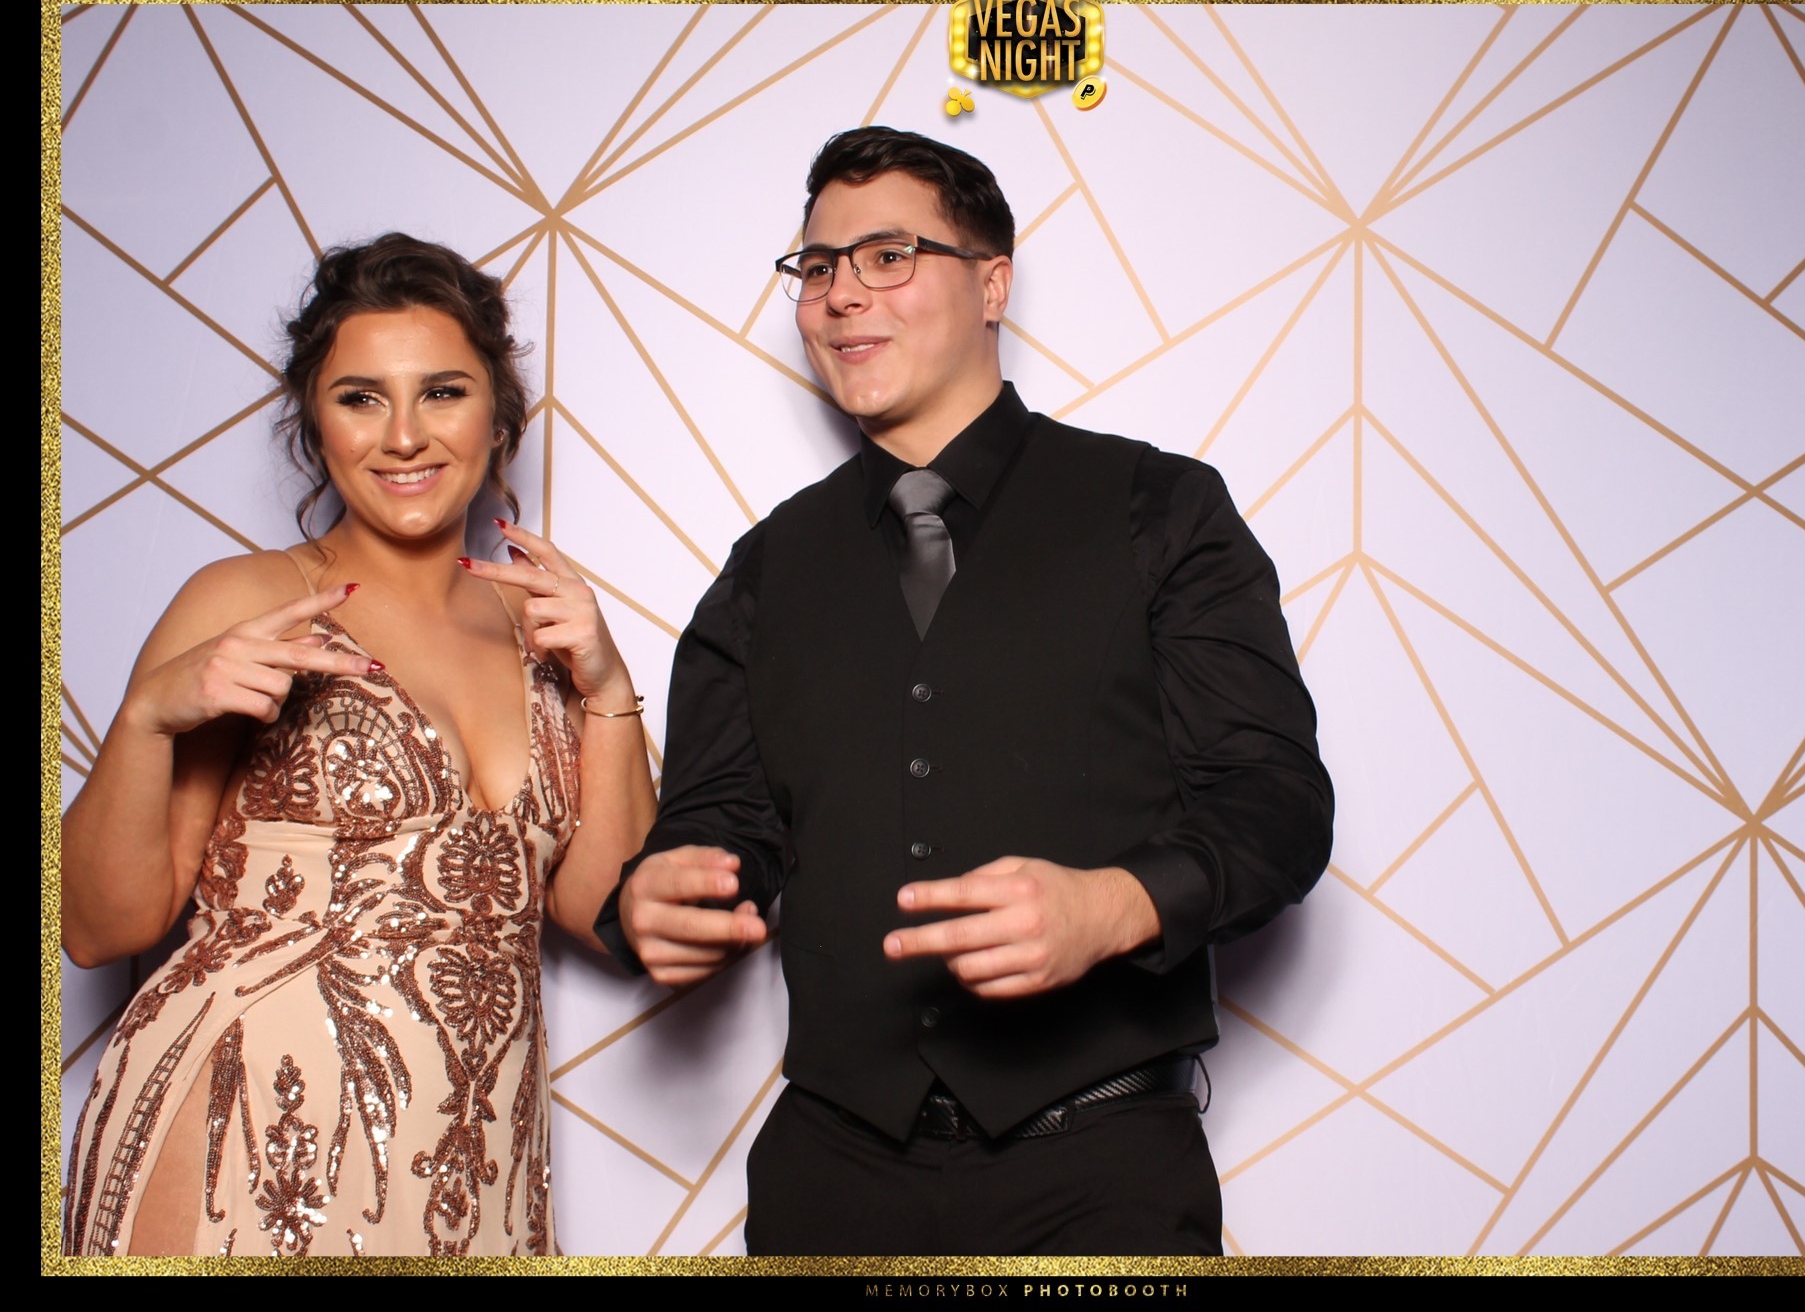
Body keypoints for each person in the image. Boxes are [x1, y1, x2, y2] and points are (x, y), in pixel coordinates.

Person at [597, 127, 1334, 1255]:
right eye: (818, 266)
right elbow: (721, 822)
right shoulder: (763, 569)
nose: (843, 293)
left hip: (1100, 1176)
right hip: (829, 1177)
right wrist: (665, 891)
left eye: (888, 255)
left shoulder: (1162, 509)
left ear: (992, 285)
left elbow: (1275, 804)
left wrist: (1115, 906)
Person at [61, 233, 653, 1257]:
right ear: (316, 422)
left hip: (473, 1166)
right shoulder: (247, 598)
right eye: (361, 397)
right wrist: (145, 719)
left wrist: (606, 690)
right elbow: (98, 928)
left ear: (498, 415)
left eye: (443, 392)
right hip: (248, 1142)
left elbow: (609, 919)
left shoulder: (546, 630)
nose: (405, 436)